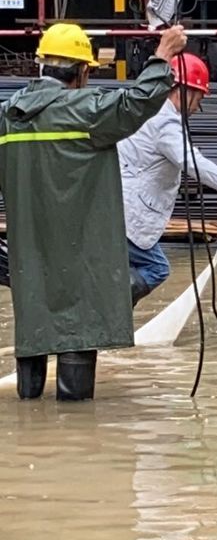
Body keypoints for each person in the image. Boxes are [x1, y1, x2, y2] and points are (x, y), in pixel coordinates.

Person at [0, 21, 188, 401]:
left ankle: (31, 427)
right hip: (80, 256)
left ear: (42, 66)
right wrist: (162, 55)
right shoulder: (87, 111)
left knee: (35, 331)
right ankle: (74, 436)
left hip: (29, 255)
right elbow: (137, 102)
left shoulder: (7, 115)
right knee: (78, 336)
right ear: (83, 71)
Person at [118, 52, 217, 306]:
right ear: (186, 90)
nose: (197, 108)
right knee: (156, 269)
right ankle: (109, 310)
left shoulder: (144, 110)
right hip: (130, 214)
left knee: (119, 267)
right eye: (199, 99)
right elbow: (190, 160)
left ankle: (108, 313)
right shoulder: (165, 121)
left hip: (116, 207)